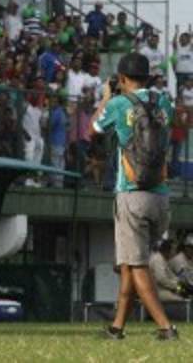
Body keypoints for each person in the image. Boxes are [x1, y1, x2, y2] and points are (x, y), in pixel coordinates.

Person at [92, 52, 178, 340]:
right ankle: (117, 328)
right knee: (129, 263)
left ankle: (166, 328)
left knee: (138, 266)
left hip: (131, 194)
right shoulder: (162, 101)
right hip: (161, 196)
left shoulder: (119, 103)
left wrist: (107, 96)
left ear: (122, 78)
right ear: (148, 77)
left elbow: (94, 127)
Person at [149, 235, 193, 302]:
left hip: (165, 289)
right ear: (167, 250)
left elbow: (172, 276)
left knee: (185, 296)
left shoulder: (162, 259)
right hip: (157, 291)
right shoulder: (157, 259)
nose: (173, 252)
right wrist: (178, 286)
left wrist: (180, 285)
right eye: (172, 249)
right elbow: (162, 279)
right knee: (184, 300)